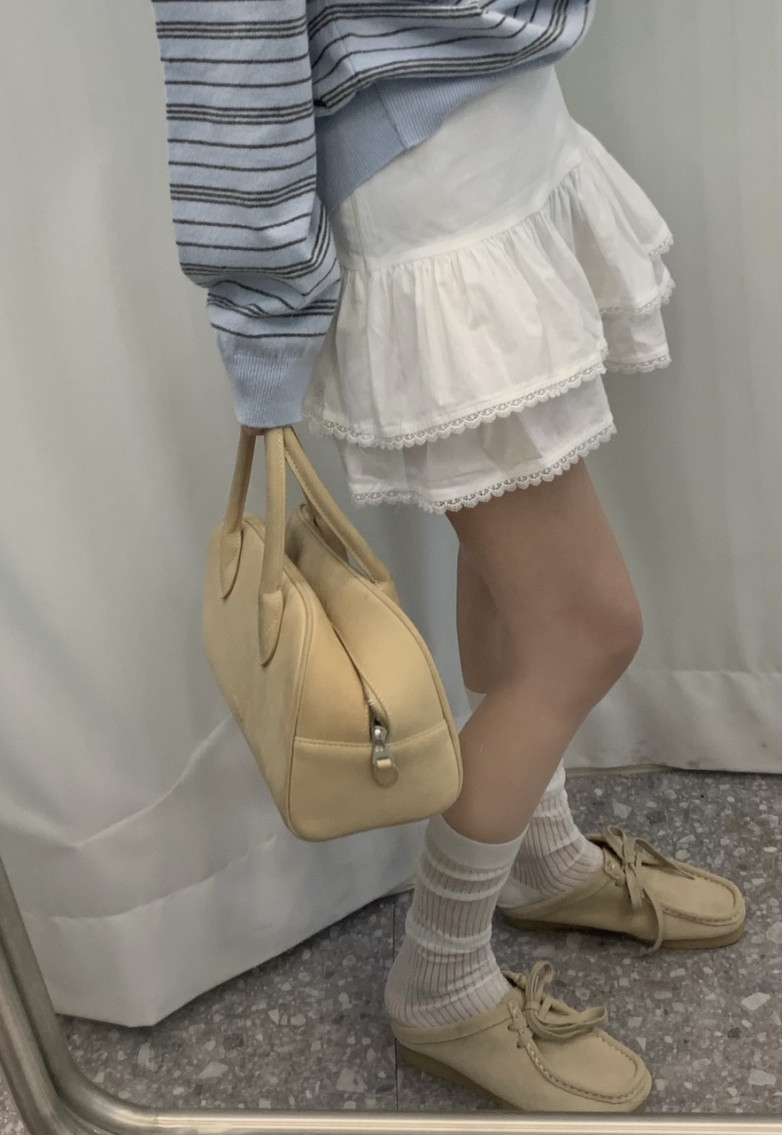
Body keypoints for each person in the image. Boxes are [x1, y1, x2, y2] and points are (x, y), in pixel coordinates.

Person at [150, 0, 745, 1112]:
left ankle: (541, 855)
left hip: (506, 131)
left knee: (517, 590)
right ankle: (440, 979)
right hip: (425, 196)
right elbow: (227, 59)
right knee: (587, 628)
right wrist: (266, 331)